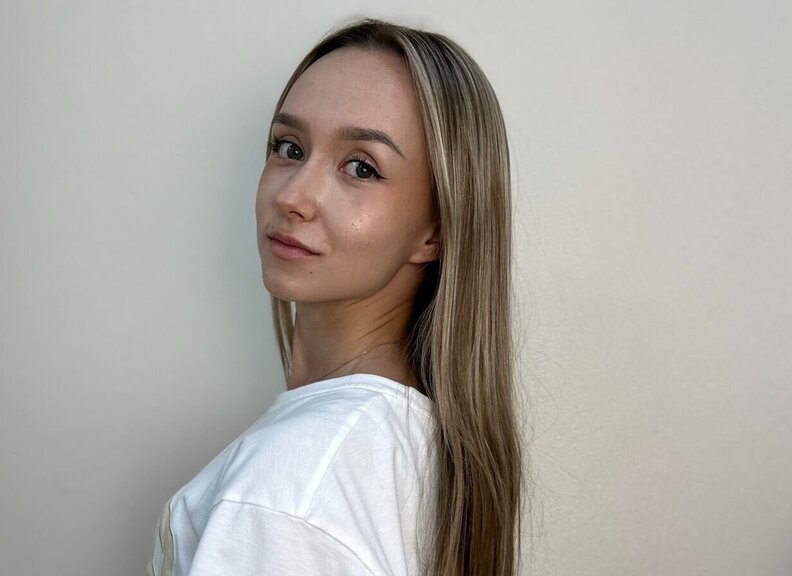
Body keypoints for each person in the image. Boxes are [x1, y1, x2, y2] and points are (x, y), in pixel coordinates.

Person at [149, 17, 522, 576]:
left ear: (437, 230)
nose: (293, 196)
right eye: (289, 147)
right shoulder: (409, 449)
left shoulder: (287, 494)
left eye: (361, 168)